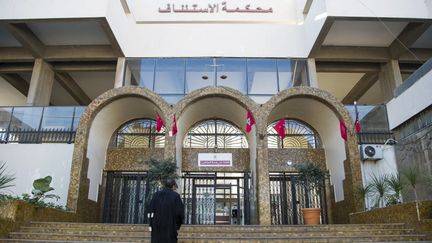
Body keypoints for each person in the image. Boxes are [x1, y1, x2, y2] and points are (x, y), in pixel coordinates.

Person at [148, 178, 184, 243]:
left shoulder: (156, 195)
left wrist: (151, 224)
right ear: (173, 186)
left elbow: (151, 210)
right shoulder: (175, 196)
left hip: (157, 227)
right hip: (170, 227)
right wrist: (177, 226)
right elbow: (179, 213)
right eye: (175, 187)